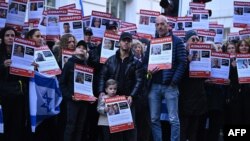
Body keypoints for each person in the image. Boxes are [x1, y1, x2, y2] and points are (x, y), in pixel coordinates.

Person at [143, 15, 187, 141]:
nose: (160, 27)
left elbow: (183, 62)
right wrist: (148, 70)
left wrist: (174, 81)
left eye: (162, 24)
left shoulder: (177, 41)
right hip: (154, 86)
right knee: (154, 119)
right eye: (157, 24)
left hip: (170, 86)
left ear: (168, 25)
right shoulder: (152, 42)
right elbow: (145, 62)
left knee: (173, 119)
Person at [98, 32, 144, 141]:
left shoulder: (136, 63)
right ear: (119, 42)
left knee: (130, 129)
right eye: (124, 40)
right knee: (113, 130)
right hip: (112, 99)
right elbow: (102, 76)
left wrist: (132, 96)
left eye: (128, 41)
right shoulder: (110, 60)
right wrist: (101, 91)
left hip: (127, 99)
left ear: (131, 43)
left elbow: (139, 81)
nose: (126, 42)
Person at [60, 40, 95, 141]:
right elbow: (62, 83)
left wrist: (90, 96)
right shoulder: (69, 64)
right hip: (72, 101)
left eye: (84, 48)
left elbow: (89, 85)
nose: (82, 50)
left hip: (84, 102)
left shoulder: (87, 66)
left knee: (80, 127)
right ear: (74, 50)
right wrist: (70, 96)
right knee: (71, 126)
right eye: (79, 47)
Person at [0, 26, 28, 141]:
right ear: (2, 38)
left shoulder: (21, 51)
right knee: (4, 122)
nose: (10, 38)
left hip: (17, 94)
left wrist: (32, 67)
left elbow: (25, 72)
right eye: (7, 35)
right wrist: (2, 66)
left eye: (13, 35)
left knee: (16, 122)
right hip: (2, 94)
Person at [179, 30, 207, 141]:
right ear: (186, 42)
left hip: (198, 99)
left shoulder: (204, 55)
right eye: (193, 39)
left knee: (193, 131)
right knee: (183, 129)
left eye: (197, 39)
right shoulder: (182, 55)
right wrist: (187, 62)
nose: (195, 41)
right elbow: (178, 75)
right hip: (185, 99)